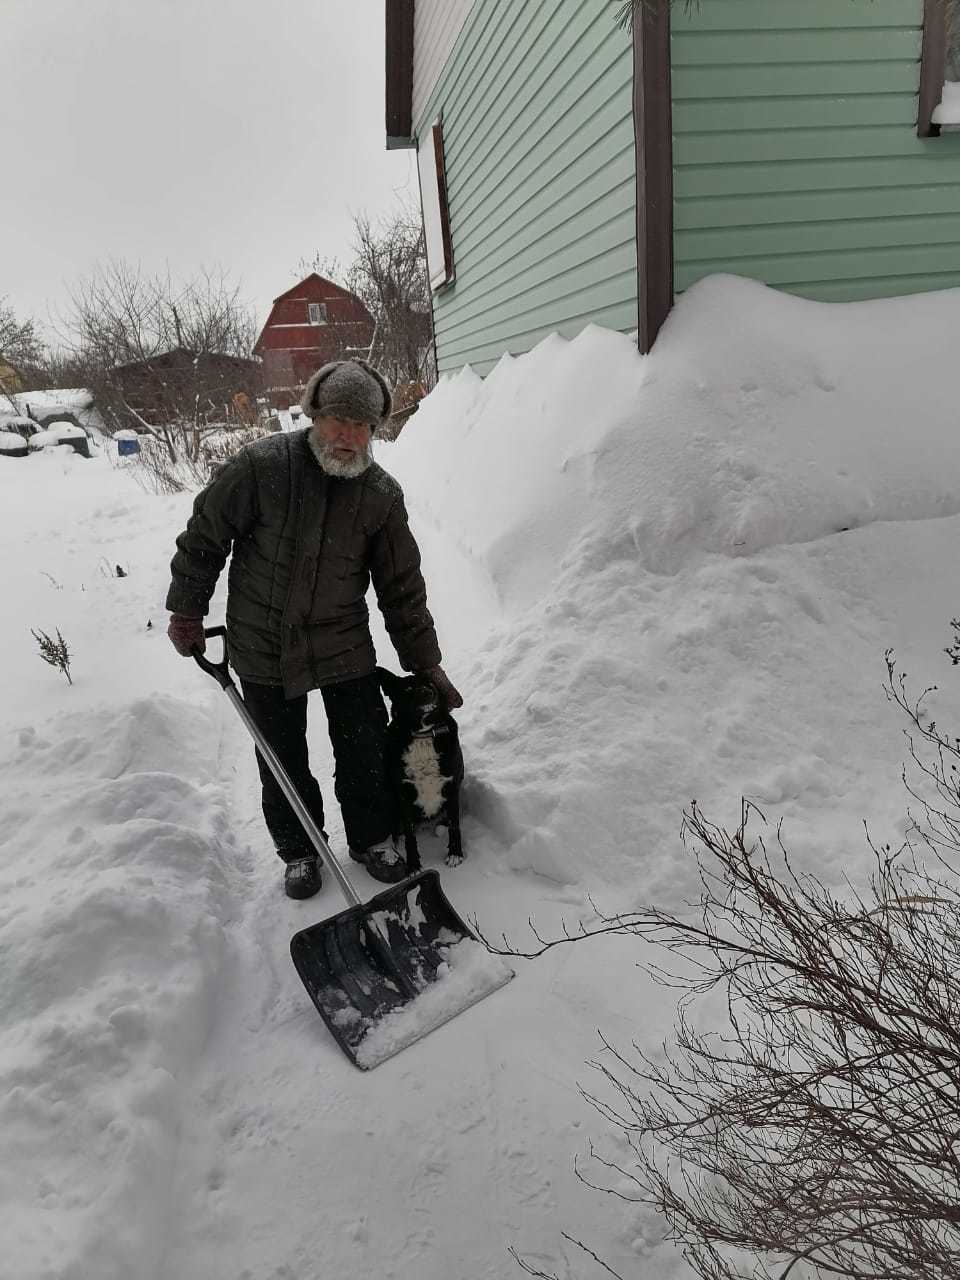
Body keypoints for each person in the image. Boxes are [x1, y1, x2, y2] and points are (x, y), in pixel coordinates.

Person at [166, 359, 462, 900]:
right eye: (337, 421)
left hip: (343, 640)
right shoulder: (261, 468)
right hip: (262, 639)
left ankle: (372, 838)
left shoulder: (380, 494)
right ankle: (301, 850)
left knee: (364, 745)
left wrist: (426, 663)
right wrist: (186, 609)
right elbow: (204, 536)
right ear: (313, 415)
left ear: (375, 430)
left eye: (362, 425)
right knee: (279, 753)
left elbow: (401, 586)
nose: (348, 436)